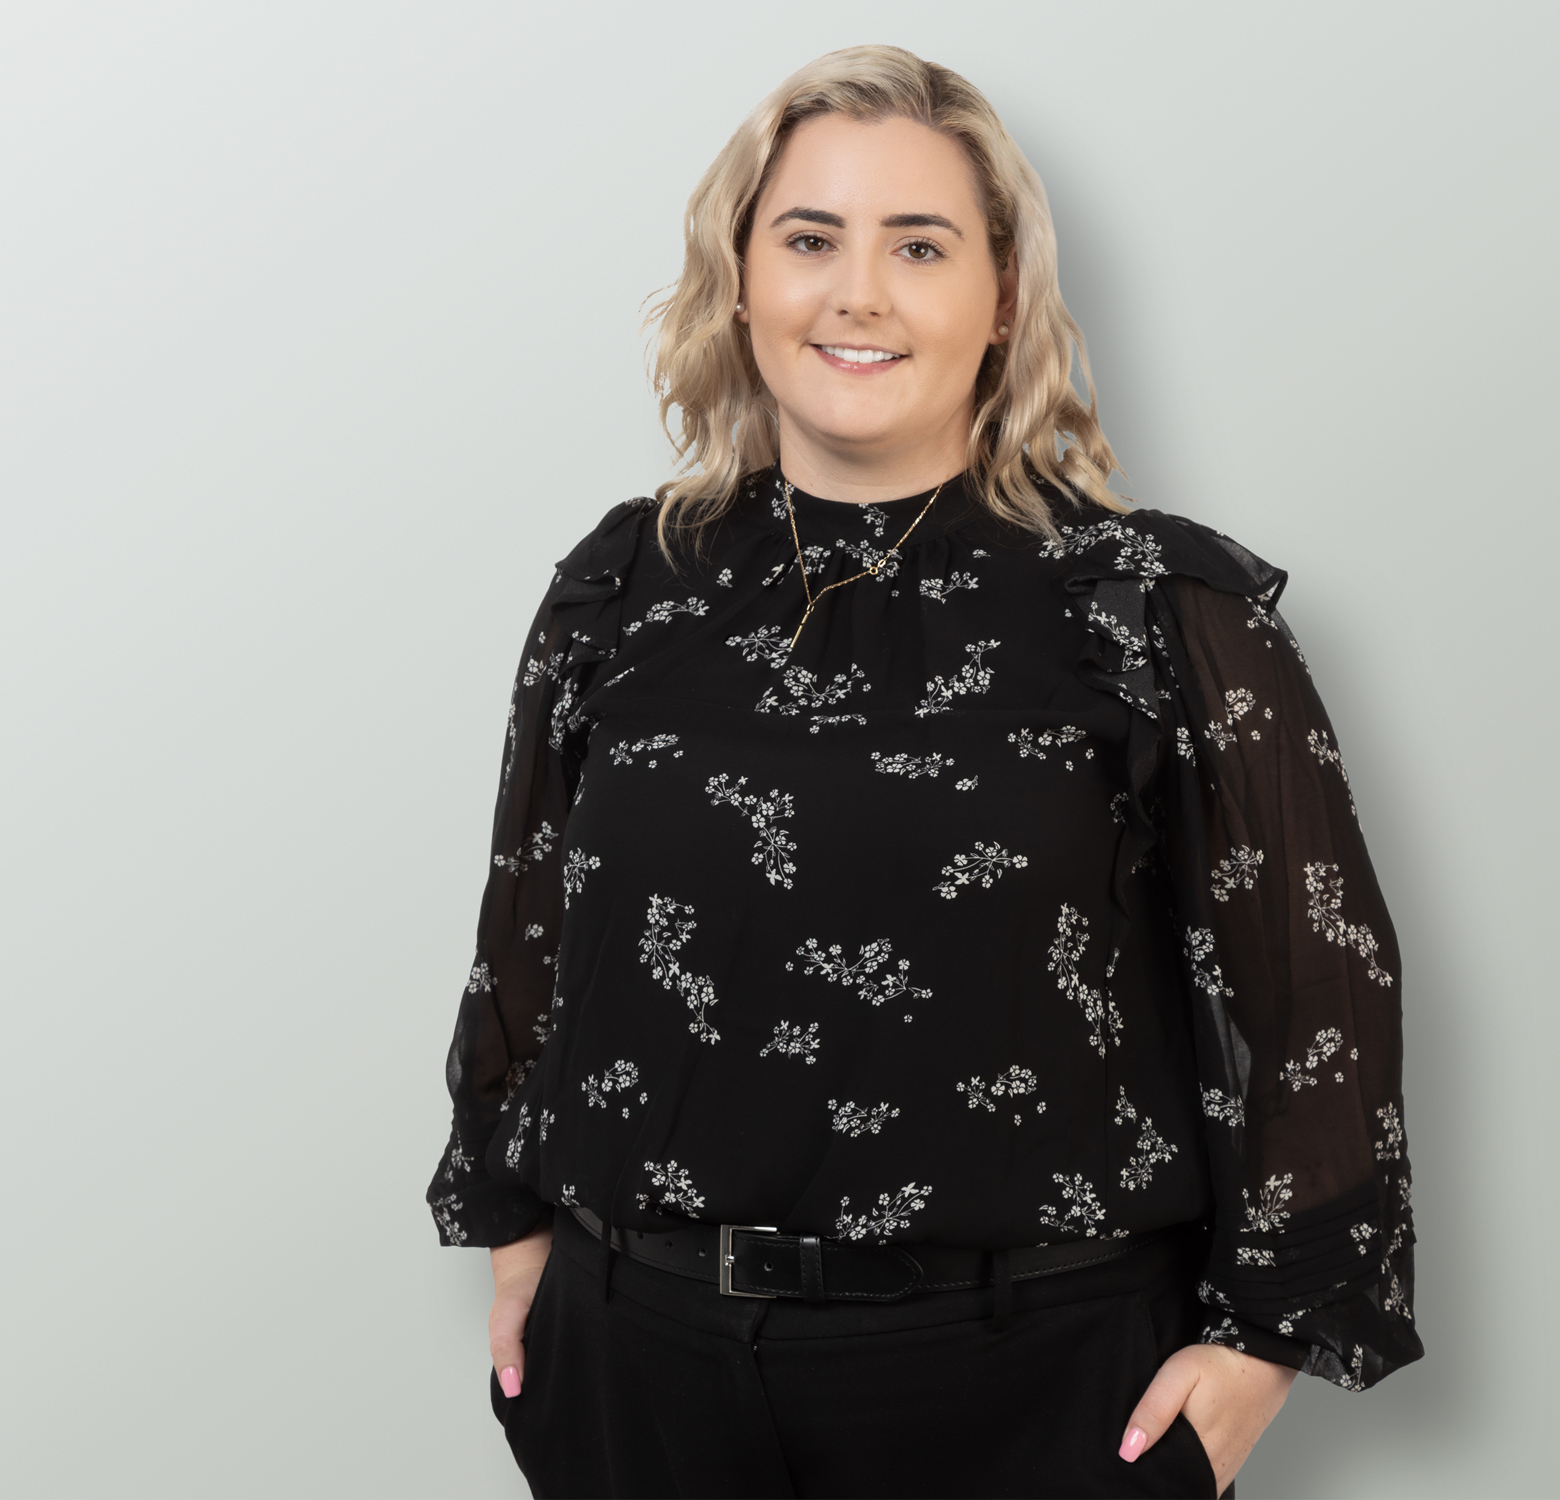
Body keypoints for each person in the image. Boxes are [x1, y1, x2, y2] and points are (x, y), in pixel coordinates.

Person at [426, 44, 1421, 1499]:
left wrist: (1265, 1345)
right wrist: (522, 1231)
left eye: (920, 245)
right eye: (809, 239)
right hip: (642, 1370)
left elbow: (1319, 992)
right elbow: (527, 936)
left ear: (1002, 294)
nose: (860, 294)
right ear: (740, 279)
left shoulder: (1152, 607)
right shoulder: (624, 586)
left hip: (1035, 1382)